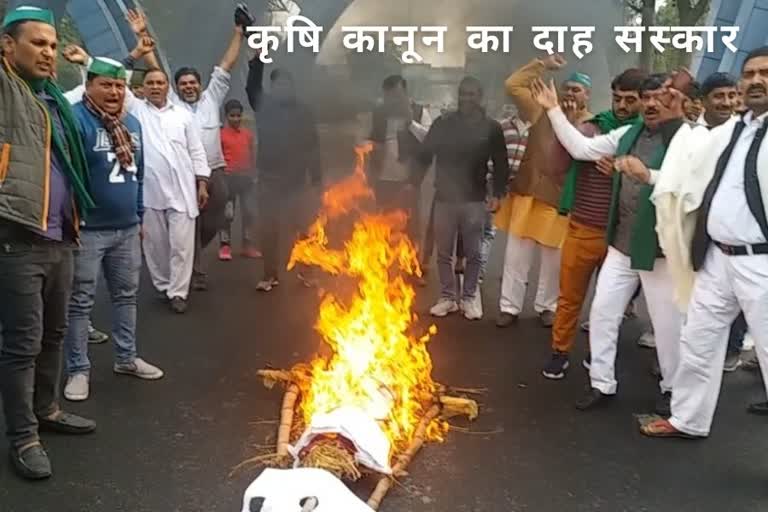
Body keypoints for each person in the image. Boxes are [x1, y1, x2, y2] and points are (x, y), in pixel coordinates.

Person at [531, 73, 687, 416]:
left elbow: (691, 184)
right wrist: (554, 109)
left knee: (667, 324)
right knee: (602, 313)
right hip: (620, 242)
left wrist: (648, 176)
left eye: (657, 97)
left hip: (658, 249)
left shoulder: (688, 138)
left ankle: (673, 390)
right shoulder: (627, 134)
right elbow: (582, 148)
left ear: (672, 100)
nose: (650, 103)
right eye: (646, 97)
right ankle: (602, 383)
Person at [641, 47, 768, 438]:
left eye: (765, 72)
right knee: (698, 341)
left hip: (761, 263)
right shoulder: (735, 128)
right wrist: (678, 116)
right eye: (748, 74)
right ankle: (688, 420)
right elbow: (694, 154)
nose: (755, 80)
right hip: (718, 258)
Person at [0, 6, 97, 480]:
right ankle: (22, 437)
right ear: (6, 46)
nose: (48, 52)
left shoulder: (55, 101)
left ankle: (47, 410)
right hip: (17, 238)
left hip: (62, 236)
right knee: (22, 345)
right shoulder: (8, 93)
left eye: (53, 45)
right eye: (37, 43)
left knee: (54, 336)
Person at [59, 55, 164, 402]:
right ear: (89, 84)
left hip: (126, 228)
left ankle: (126, 357)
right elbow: (64, 175)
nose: (114, 91)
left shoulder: (131, 124)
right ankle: (78, 369)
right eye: (106, 84)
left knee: (125, 296)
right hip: (89, 229)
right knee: (80, 302)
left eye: (119, 85)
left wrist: (138, 217)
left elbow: (139, 171)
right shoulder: (75, 121)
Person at [127, 8, 246, 291]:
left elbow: (226, 64)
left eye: (193, 83)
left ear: (200, 85)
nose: (189, 87)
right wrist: (142, 35)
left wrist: (238, 33)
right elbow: (155, 70)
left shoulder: (211, 99)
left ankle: (188, 256)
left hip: (214, 171)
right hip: (182, 174)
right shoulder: (172, 105)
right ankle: (193, 271)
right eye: (183, 84)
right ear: (176, 88)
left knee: (221, 215)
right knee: (188, 221)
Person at [541, 69, 646, 380]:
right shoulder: (592, 128)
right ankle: (559, 351)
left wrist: (621, 173)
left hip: (621, 236)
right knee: (570, 297)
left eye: (631, 100)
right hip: (583, 227)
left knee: (607, 306)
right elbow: (557, 166)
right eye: (618, 98)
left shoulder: (647, 137)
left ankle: (597, 355)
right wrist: (569, 128)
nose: (623, 106)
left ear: (643, 101)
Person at [496, 55, 584, 329]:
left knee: (552, 258)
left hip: (559, 198)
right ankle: (509, 307)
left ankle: (547, 307)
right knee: (516, 256)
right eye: (567, 88)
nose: (570, 94)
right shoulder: (539, 110)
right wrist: (542, 65)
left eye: (577, 90)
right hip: (528, 193)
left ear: (587, 96)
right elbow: (512, 85)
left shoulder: (590, 122)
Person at [414, 76, 510, 320]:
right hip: (444, 198)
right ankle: (447, 297)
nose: (466, 98)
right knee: (444, 253)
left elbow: (501, 165)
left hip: (475, 200)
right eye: (463, 94)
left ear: (480, 97)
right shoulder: (443, 124)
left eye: (471, 94)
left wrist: (498, 194)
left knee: (474, 253)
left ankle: (468, 298)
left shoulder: (491, 128)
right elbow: (425, 156)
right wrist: (412, 183)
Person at [246, 54, 322, 292]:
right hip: (269, 180)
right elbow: (252, 87)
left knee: (305, 228)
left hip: (298, 181)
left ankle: (306, 271)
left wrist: (317, 177)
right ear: (273, 87)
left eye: (286, 84)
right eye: (277, 84)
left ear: (292, 87)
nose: (282, 87)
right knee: (269, 229)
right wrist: (256, 62)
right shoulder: (263, 106)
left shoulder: (304, 112)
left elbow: (313, 145)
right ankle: (270, 275)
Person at [369, 75, 432, 241]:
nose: (393, 100)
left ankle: (411, 263)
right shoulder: (380, 113)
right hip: (384, 178)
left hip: (409, 179)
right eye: (389, 96)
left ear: (405, 93)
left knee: (409, 224)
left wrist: (410, 121)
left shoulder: (419, 111)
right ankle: (382, 262)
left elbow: (429, 139)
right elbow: (374, 141)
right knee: (383, 222)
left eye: (397, 95)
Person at [218, 99, 260, 260]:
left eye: (238, 115)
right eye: (232, 116)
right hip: (228, 179)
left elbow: (252, 154)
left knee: (249, 212)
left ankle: (248, 245)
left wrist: (254, 174)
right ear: (226, 116)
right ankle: (225, 245)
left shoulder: (247, 134)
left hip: (246, 180)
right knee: (227, 214)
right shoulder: (220, 135)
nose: (235, 119)